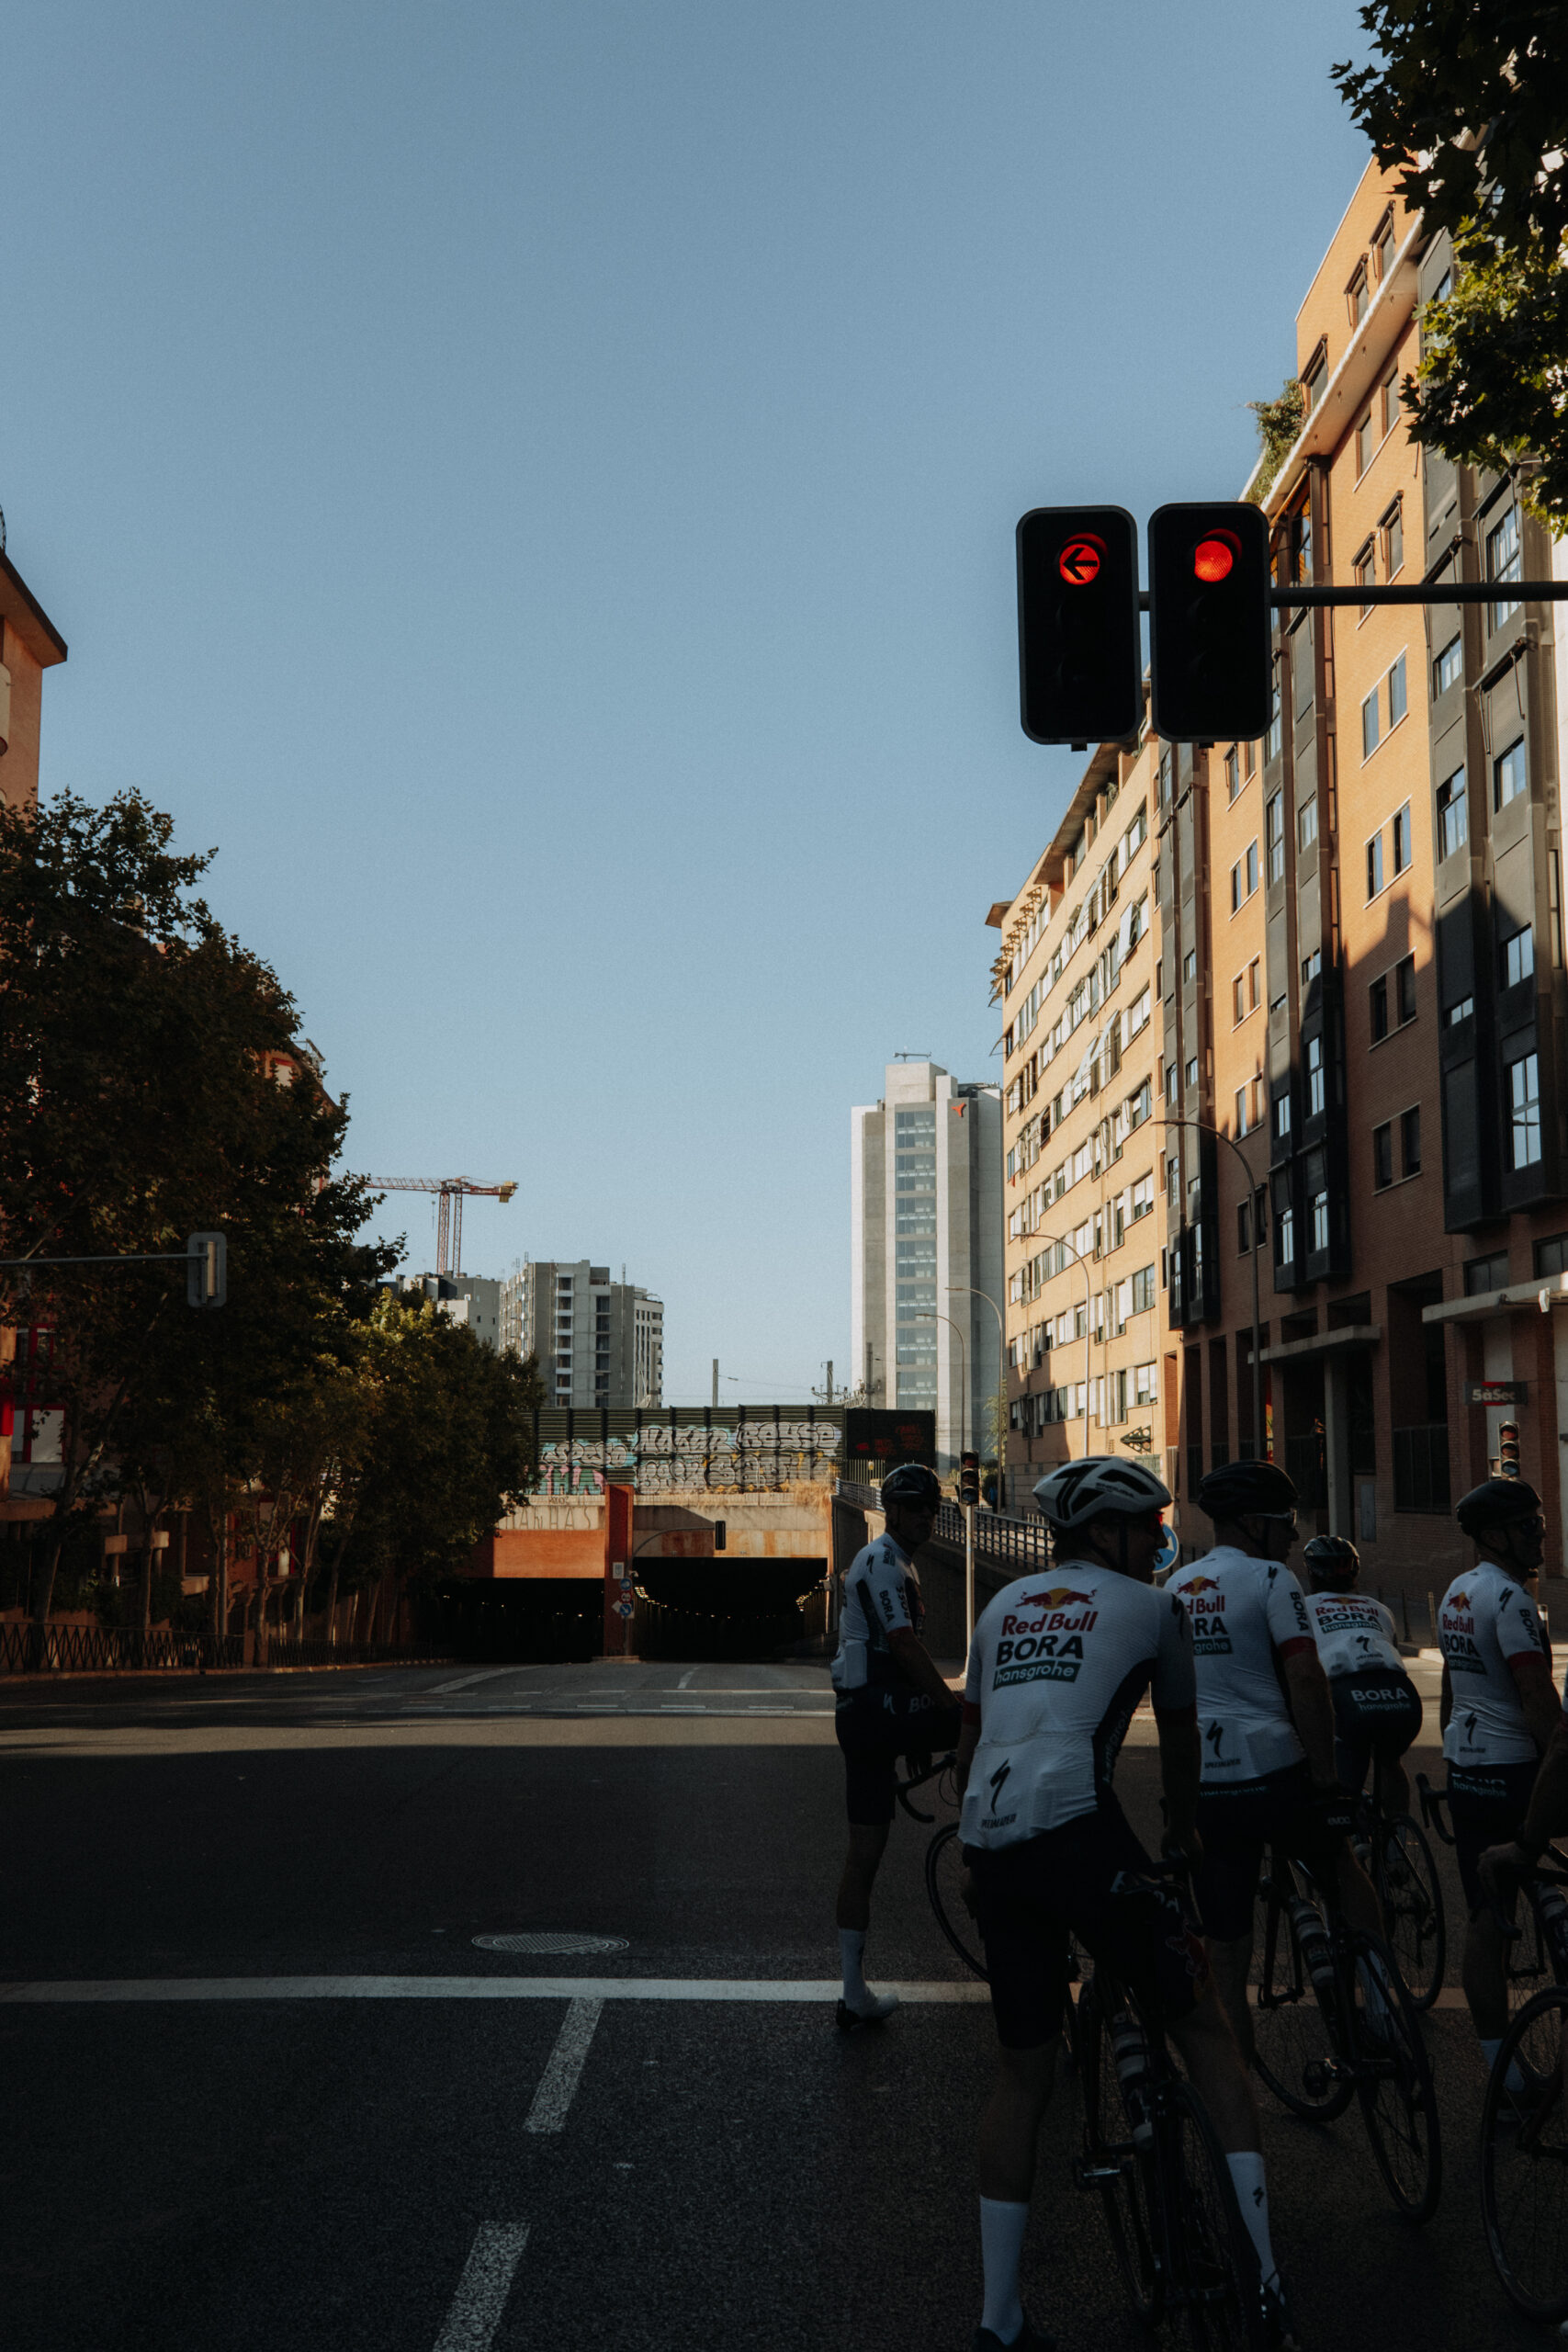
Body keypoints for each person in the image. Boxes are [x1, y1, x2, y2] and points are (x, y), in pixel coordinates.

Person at [956, 1456, 1297, 2352]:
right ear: (1106, 1532)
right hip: (1081, 1830)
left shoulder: (999, 1609)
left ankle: (997, 2320)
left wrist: (969, 1852)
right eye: (1148, 1527)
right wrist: (1182, 1834)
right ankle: (1266, 2284)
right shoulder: (1155, 1608)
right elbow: (1179, 1742)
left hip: (992, 1837)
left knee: (1023, 2075)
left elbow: (975, 1733)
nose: (1160, 1541)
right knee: (1208, 2030)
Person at [1166, 1461, 1382, 2066]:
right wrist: (1326, 1781)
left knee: (1226, 1954)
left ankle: (1239, 2111)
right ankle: (1385, 2006)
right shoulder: (1270, 1578)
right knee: (1339, 1867)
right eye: (1284, 1521)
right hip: (1275, 1769)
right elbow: (1305, 1680)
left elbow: (1168, 1702)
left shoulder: (1176, 1587)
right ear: (1251, 1524)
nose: (1292, 1533)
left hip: (1211, 1788)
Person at [830, 1460, 962, 2028]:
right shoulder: (884, 1562)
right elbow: (905, 1647)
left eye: (934, 1507)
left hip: (865, 1714)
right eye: (918, 1507)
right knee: (982, 1724)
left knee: (866, 1854)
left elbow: (897, 1660)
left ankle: (852, 1991)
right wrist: (951, 1711)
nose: (928, 1517)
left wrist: (917, 1727)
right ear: (894, 1510)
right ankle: (988, 1856)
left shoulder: (897, 1562)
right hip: (873, 1711)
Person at [1436, 1476, 1560, 2074]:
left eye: (1540, 1523)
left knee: (1486, 1916)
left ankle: (1501, 2070)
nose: (1540, 1534)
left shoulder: (1455, 1592)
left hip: (1469, 1770)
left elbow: (1450, 1693)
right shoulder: (1510, 1599)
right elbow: (1536, 1695)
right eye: (1528, 1527)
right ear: (1493, 1536)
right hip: (1516, 1771)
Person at [1300, 1534, 1423, 1816]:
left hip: (1346, 1695)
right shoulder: (1380, 1609)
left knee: (1341, 1774)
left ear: (1311, 1572)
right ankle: (1396, 1846)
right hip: (1401, 1695)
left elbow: (1300, 1668)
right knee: (1389, 1762)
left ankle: (1350, 1845)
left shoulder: (1303, 1609)